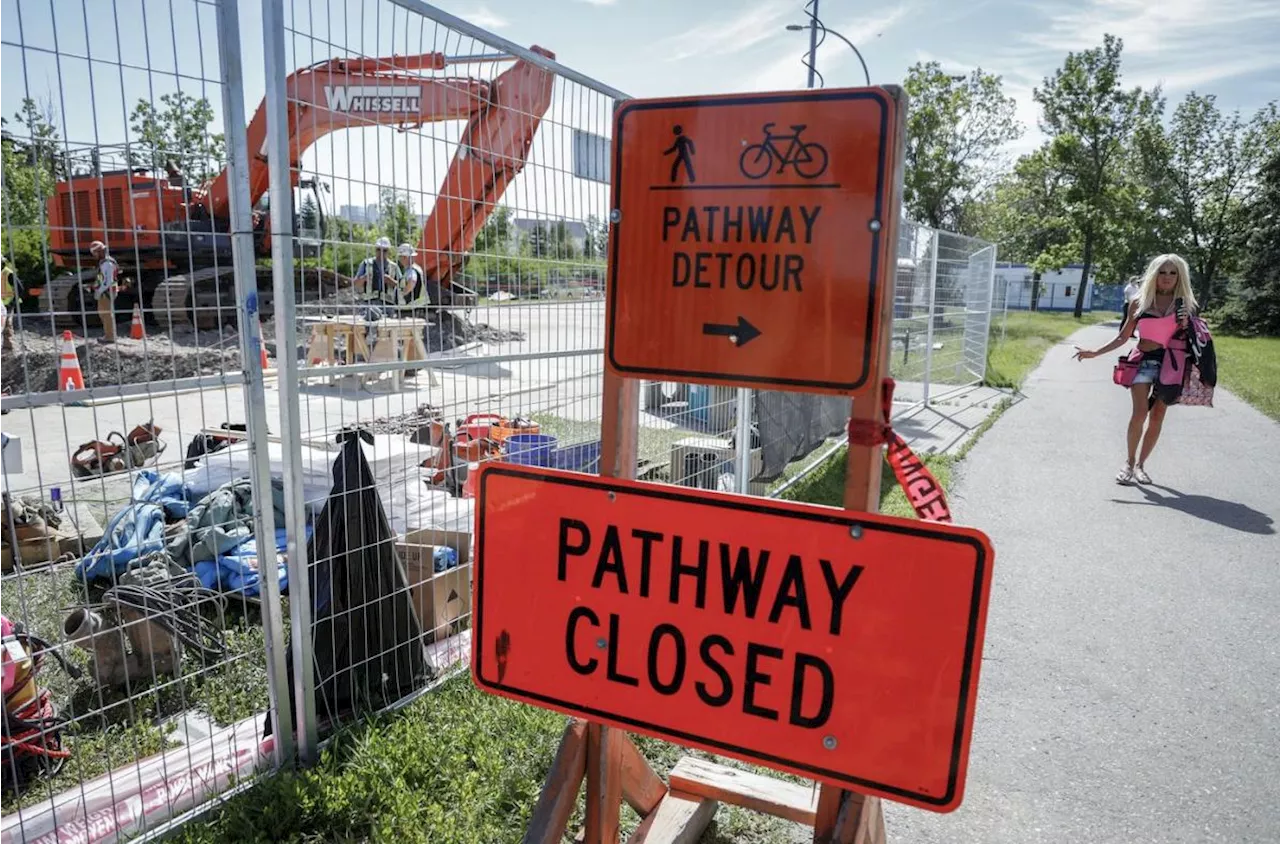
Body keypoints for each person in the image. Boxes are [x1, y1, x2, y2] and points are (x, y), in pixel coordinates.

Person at [1073, 254, 1197, 485]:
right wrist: (1094, 352)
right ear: (1154, 274)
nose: (1167, 277)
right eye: (1162, 272)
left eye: (1173, 273)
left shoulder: (1185, 304)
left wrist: (1186, 323)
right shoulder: (1139, 302)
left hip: (1171, 364)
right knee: (1139, 413)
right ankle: (1129, 463)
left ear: (1180, 276)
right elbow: (1123, 337)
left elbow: (1194, 339)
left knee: (1157, 416)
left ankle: (1141, 465)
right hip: (1143, 360)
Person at [353, 236, 401, 305]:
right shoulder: (366, 263)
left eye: (384, 250)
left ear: (388, 251)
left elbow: (402, 287)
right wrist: (363, 279)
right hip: (369, 303)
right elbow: (356, 284)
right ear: (375, 250)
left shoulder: (394, 267)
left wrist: (391, 281)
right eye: (378, 249)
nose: (381, 252)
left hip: (388, 304)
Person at [89, 241, 120, 343]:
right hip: (105, 291)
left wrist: (99, 291)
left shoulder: (107, 263)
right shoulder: (104, 262)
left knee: (106, 314)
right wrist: (96, 286)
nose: (94, 256)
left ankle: (110, 337)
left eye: (95, 253)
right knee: (103, 313)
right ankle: (108, 334)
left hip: (107, 291)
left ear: (99, 251)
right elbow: (101, 278)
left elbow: (108, 281)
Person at [395, 243, 426, 309]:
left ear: (404, 257)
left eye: (400, 257)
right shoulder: (416, 268)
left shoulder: (411, 270)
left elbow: (412, 281)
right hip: (417, 306)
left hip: (411, 307)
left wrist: (403, 293)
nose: (399, 260)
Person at [0, 254, 20, 352]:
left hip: (8, 303)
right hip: (1, 304)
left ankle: (8, 348)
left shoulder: (8, 274)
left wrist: (14, 302)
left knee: (7, 324)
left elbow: (20, 289)